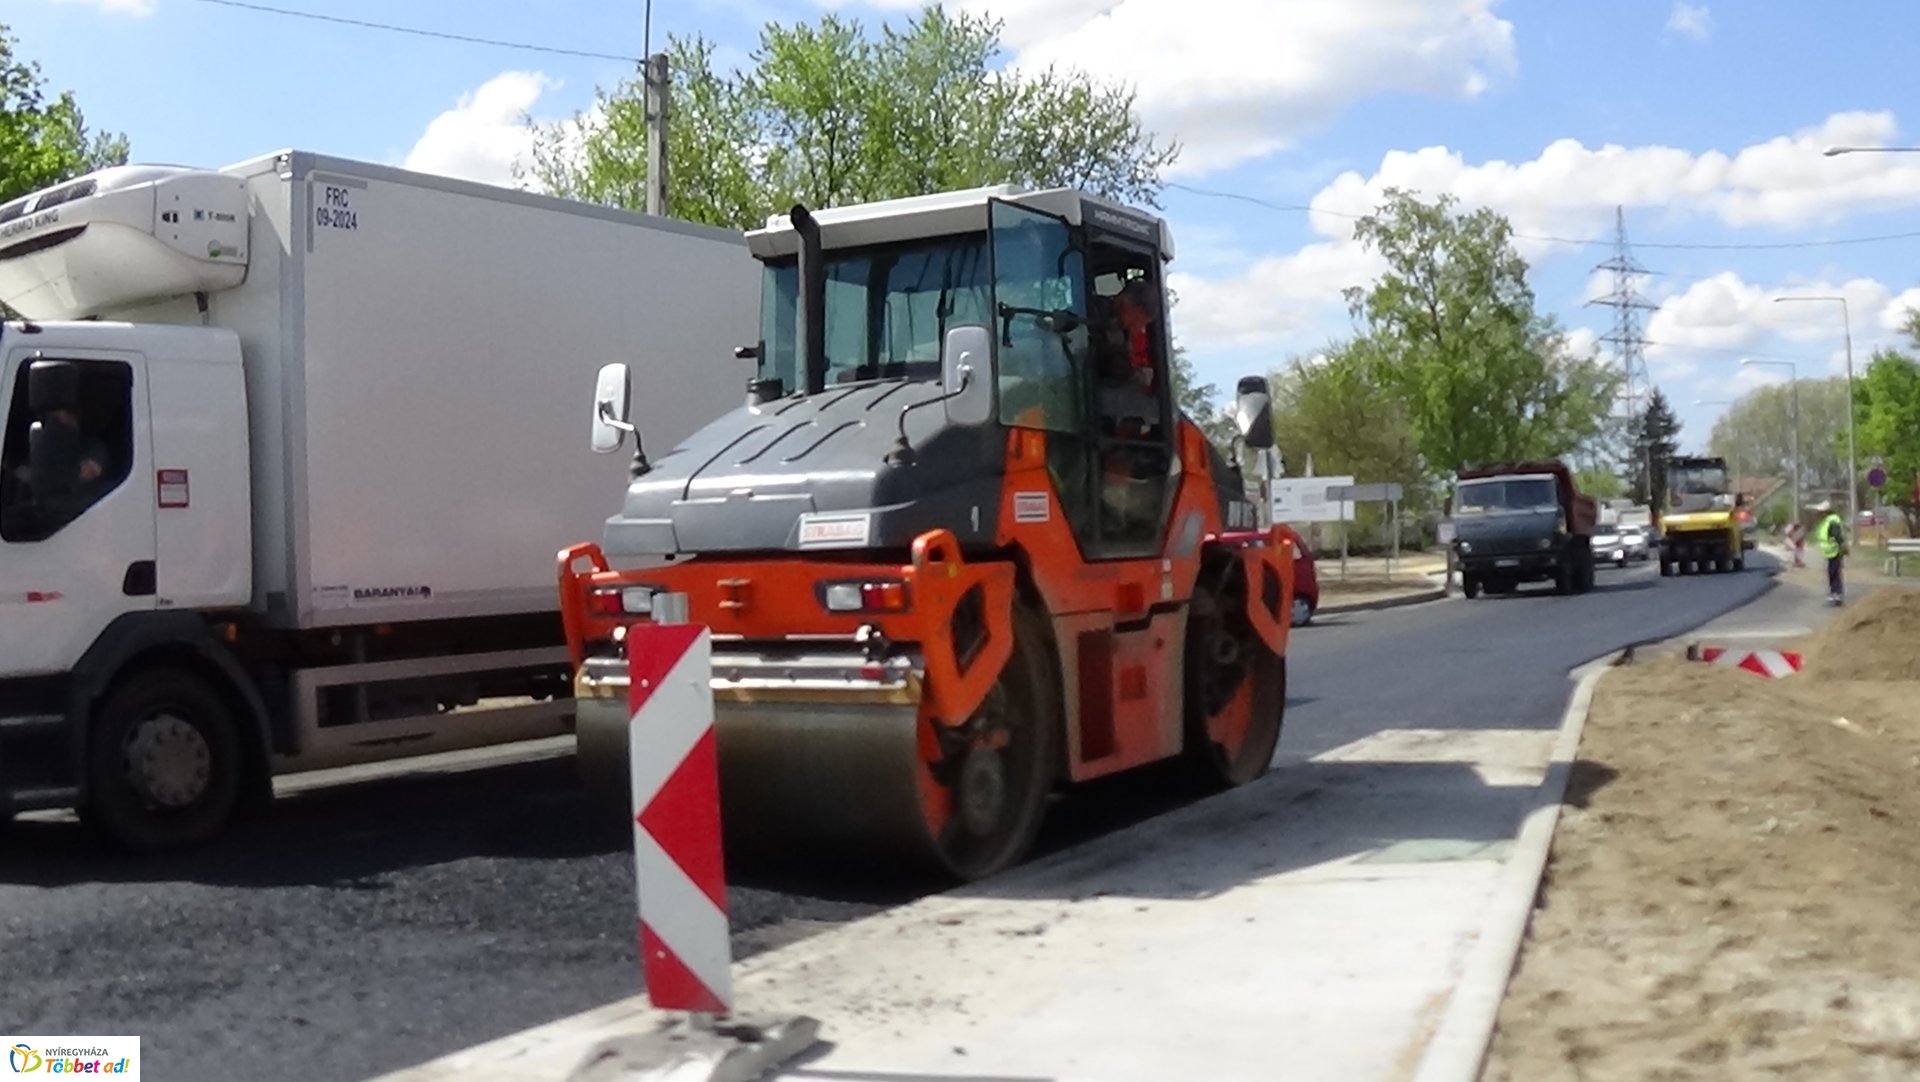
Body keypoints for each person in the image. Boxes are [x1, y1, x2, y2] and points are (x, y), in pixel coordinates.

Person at [1813, 500, 1847, 605]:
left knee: (1834, 573)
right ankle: (1834, 593)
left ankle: (1837, 594)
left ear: (1825, 512)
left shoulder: (1832, 521)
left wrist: (1843, 548)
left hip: (1835, 551)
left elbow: (1838, 536)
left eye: (1820, 512)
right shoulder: (1828, 520)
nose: (1818, 514)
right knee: (1832, 572)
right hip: (1830, 552)